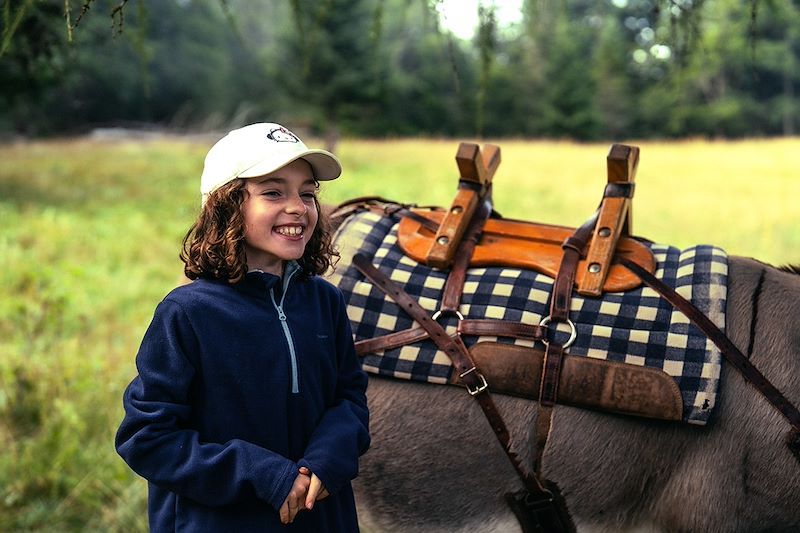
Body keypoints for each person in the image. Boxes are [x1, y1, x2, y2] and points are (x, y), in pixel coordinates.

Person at [115, 122, 370, 532]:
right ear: (227, 206)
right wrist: (265, 475)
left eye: (307, 193)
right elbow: (147, 437)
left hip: (321, 518)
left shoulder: (324, 301)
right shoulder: (187, 313)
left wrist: (328, 458)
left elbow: (349, 398)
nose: (298, 207)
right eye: (273, 192)